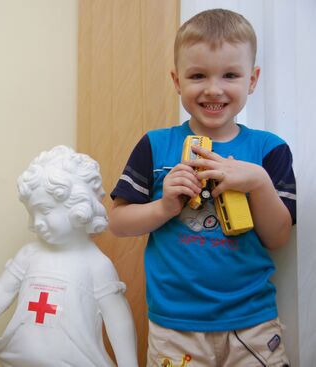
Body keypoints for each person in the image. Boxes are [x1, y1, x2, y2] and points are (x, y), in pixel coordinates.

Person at [109, 9, 295, 367]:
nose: (213, 88)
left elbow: (278, 237)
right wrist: (164, 207)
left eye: (230, 75)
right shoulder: (155, 145)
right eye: (198, 76)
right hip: (174, 325)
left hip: (253, 321)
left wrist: (258, 182)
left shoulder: (269, 150)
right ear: (177, 81)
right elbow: (118, 223)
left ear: (252, 80)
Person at [0, 145, 138, 367]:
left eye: (44, 211)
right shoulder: (29, 254)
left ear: (79, 205)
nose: (35, 222)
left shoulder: (96, 264)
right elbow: (3, 288)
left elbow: (117, 318)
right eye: (32, 213)